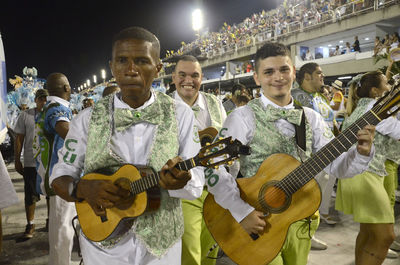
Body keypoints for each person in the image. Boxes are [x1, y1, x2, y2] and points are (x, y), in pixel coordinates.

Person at [207, 42, 375, 265]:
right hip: (259, 221)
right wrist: (241, 211)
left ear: (293, 73)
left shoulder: (311, 117)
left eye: (284, 70)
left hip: (301, 220)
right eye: (269, 72)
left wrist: (361, 153)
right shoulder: (242, 117)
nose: (278, 77)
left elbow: (336, 166)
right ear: (257, 78)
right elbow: (213, 167)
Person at [50, 26, 206, 265]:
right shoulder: (87, 119)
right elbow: (60, 177)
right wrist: (83, 190)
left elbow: (197, 180)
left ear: (158, 68)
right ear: (112, 67)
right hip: (103, 249)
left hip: (161, 251)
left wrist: (180, 181)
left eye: (142, 61)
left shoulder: (180, 114)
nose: (131, 70)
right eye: (122, 60)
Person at [335, 71, 400, 264]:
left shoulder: (365, 106)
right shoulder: (373, 108)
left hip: (364, 172)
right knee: (385, 236)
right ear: (375, 91)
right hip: (365, 173)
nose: (390, 87)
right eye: (387, 84)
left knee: (367, 231)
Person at [171, 55, 227, 265]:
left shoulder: (215, 103)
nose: (189, 80)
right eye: (183, 75)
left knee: (210, 252)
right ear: (174, 78)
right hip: (184, 191)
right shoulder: (165, 108)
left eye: (194, 75)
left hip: (216, 190)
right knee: (190, 255)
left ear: (201, 78)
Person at [292, 62, 338, 249]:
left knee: (317, 198)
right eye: (318, 73)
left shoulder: (319, 97)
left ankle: (309, 233)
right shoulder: (296, 97)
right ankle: (302, 237)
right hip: (308, 159)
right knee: (305, 200)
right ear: (307, 76)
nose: (322, 76)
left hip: (325, 154)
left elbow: (330, 122)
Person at [38, 73, 76, 265]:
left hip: (55, 174)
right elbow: (65, 130)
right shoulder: (57, 108)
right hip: (61, 175)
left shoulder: (46, 107)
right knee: (63, 229)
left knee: (61, 226)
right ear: (66, 88)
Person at [13, 89, 48, 239]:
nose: (44, 102)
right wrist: (17, 160)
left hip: (48, 162)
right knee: (30, 195)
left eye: (46, 99)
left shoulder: (52, 115)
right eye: (41, 99)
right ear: (36, 100)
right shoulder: (25, 115)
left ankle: (50, 221)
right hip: (31, 162)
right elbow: (19, 139)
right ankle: (31, 223)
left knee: (51, 195)